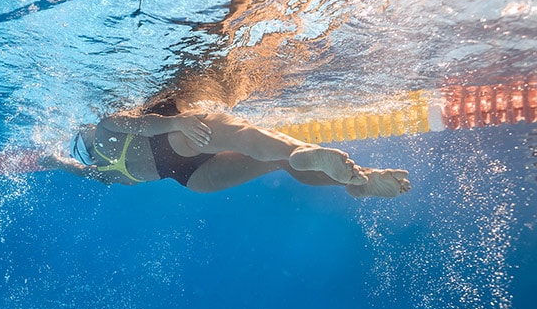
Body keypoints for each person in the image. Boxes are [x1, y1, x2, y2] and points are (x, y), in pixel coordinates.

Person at [41, 99, 410, 197]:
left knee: (277, 165)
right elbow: (140, 124)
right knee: (244, 137)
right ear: (86, 136)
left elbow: (80, 170)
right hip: (176, 141)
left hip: (192, 179)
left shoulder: (107, 175)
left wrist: (54, 163)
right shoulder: (105, 126)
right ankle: (299, 149)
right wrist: (176, 122)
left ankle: (358, 181)